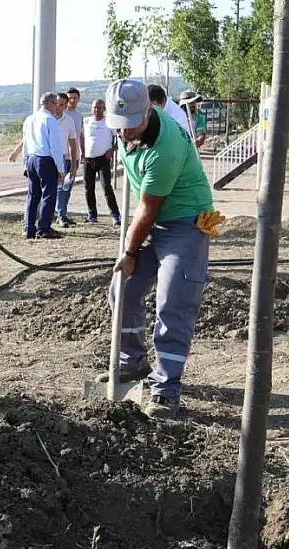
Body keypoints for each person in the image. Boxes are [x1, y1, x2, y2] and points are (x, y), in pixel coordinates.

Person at [97, 78, 216, 419]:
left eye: (131, 127)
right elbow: (144, 205)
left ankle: (165, 389)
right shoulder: (125, 129)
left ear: (149, 110)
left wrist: (131, 252)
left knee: (173, 300)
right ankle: (132, 363)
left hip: (188, 221)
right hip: (153, 216)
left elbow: (149, 209)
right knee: (123, 288)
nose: (124, 134)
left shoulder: (166, 147)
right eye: (119, 128)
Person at [21, 92, 67, 239]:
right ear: (50, 103)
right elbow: (55, 146)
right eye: (56, 103)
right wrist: (61, 168)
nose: (57, 107)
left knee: (33, 195)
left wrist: (25, 162)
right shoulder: (50, 120)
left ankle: (29, 228)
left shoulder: (30, 119)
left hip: (31, 158)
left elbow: (25, 143)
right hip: (45, 160)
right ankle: (44, 228)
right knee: (48, 195)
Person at [82, 99, 121, 226]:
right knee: (88, 187)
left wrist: (112, 150)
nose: (97, 110)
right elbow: (81, 137)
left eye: (99, 108)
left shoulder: (109, 122)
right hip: (88, 159)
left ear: (104, 109)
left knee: (106, 187)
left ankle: (115, 214)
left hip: (103, 159)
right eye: (94, 108)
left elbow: (120, 140)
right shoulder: (86, 122)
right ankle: (92, 214)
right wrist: (82, 152)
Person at [54, 90, 84, 227]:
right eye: (70, 98)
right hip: (56, 157)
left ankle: (62, 213)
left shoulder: (75, 117)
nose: (72, 101)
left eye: (74, 98)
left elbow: (78, 138)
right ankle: (58, 214)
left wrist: (79, 155)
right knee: (58, 187)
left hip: (72, 156)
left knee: (66, 187)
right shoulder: (50, 118)